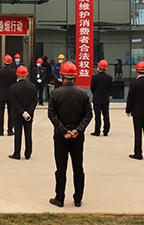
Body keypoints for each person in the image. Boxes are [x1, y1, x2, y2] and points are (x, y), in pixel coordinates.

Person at [48, 61, 93, 208]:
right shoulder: (83, 94)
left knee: (61, 169)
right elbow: (88, 115)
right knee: (78, 167)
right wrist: (77, 130)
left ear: (61, 76)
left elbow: (52, 115)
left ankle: (59, 198)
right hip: (77, 137)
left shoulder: (55, 94)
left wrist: (63, 131)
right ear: (75, 76)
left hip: (61, 137)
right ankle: (78, 198)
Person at [9, 65, 38, 160]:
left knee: (18, 134)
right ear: (26, 75)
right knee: (28, 134)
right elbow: (35, 101)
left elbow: (14, 102)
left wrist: (22, 112)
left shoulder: (13, 87)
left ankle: (17, 154)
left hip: (17, 114)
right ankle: (28, 154)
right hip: (29, 115)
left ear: (17, 75)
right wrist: (28, 112)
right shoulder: (32, 87)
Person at [0, 55, 16, 137]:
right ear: (11, 63)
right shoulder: (13, 72)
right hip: (10, 94)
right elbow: (14, 83)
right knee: (11, 113)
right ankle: (10, 130)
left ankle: (0, 131)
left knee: (1, 113)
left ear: (4, 62)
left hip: (1, 94)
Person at [90, 60, 113, 137]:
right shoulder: (109, 78)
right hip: (105, 99)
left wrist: (96, 93)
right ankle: (106, 131)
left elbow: (92, 88)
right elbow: (110, 89)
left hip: (97, 99)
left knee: (97, 116)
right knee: (106, 115)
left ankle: (97, 131)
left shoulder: (95, 77)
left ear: (99, 67)